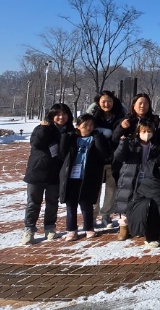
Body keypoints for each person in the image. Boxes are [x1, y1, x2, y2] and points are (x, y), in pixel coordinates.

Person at [21, 103, 74, 245]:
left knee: (52, 202)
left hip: (56, 173)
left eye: (64, 114)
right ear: (51, 115)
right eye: (57, 114)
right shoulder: (42, 128)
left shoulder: (70, 132)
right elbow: (36, 144)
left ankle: (49, 228)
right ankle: (29, 229)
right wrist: (44, 128)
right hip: (37, 172)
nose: (61, 117)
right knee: (33, 202)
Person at [58, 114, 111, 241]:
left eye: (91, 125)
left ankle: (89, 228)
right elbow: (62, 154)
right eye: (85, 125)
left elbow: (104, 154)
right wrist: (65, 136)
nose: (88, 128)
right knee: (71, 205)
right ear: (78, 126)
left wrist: (98, 137)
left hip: (88, 177)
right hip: (71, 177)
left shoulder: (95, 138)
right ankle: (72, 230)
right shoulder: (72, 138)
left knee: (86, 204)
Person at [112, 120, 160, 241]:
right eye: (143, 131)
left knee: (141, 203)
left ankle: (138, 226)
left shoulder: (155, 146)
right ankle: (123, 227)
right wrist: (122, 143)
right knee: (126, 201)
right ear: (138, 132)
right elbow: (119, 156)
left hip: (146, 177)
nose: (147, 134)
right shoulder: (131, 143)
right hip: (130, 176)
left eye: (149, 131)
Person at [127, 148, 160, 247]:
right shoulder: (154, 179)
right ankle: (151, 237)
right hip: (140, 214)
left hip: (157, 209)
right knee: (152, 204)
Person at [88, 90, 125, 228]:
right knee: (94, 188)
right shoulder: (93, 117)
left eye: (109, 101)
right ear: (98, 102)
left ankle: (106, 215)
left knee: (111, 187)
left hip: (113, 157)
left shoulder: (119, 116)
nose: (106, 104)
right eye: (103, 101)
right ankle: (92, 216)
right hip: (96, 157)